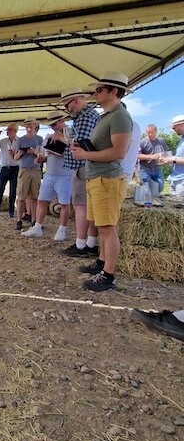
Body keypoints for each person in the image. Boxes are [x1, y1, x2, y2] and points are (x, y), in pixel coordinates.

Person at [72, 71, 133, 292]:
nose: (95, 94)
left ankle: (108, 275)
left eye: (99, 89)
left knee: (108, 227)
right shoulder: (107, 115)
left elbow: (118, 152)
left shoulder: (119, 116)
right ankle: (101, 263)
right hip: (98, 176)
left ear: (114, 91)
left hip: (107, 177)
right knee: (102, 225)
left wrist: (85, 155)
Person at [58, 87, 100, 258]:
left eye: (68, 107)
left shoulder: (84, 118)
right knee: (88, 207)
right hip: (87, 166)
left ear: (75, 101)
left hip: (82, 166)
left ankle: (81, 244)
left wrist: (61, 138)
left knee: (81, 206)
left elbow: (77, 144)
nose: (68, 111)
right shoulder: (92, 115)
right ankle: (90, 243)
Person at [21, 111, 71, 241]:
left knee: (64, 203)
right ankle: (37, 227)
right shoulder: (49, 136)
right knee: (41, 200)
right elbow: (45, 155)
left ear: (61, 121)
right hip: (49, 173)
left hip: (64, 174)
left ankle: (62, 229)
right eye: (50, 125)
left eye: (53, 124)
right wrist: (41, 158)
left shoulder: (70, 133)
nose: (52, 127)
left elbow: (74, 153)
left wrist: (62, 141)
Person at [14, 118, 43, 231]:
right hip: (24, 170)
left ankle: (34, 220)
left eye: (31, 124)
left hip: (36, 170)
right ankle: (19, 220)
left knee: (35, 196)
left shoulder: (40, 139)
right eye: (27, 125)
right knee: (21, 196)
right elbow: (15, 157)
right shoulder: (20, 140)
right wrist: (21, 153)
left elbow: (43, 155)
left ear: (35, 126)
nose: (29, 126)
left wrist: (35, 153)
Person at [0, 124, 19, 217]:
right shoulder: (3, 141)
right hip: (4, 168)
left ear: (15, 131)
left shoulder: (19, 141)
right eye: (7, 129)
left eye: (10, 129)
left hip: (15, 168)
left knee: (13, 191)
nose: (7, 131)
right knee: (0, 190)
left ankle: (11, 211)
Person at [138, 123, 169, 196]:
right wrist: (151, 157)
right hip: (145, 169)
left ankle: (153, 199)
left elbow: (166, 153)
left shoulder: (161, 141)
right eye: (148, 132)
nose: (150, 134)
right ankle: (147, 202)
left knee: (160, 187)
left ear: (156, 131)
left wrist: (163, 157)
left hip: (157, 168)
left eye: (152, 132)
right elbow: (137, 155)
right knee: (146, 188)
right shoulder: (142, 142)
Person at [164, 114, 184, 194]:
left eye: (174, 127)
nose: (173, 130)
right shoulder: (182, 139)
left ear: (181, 125)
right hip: (176, 178)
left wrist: (172, 159)